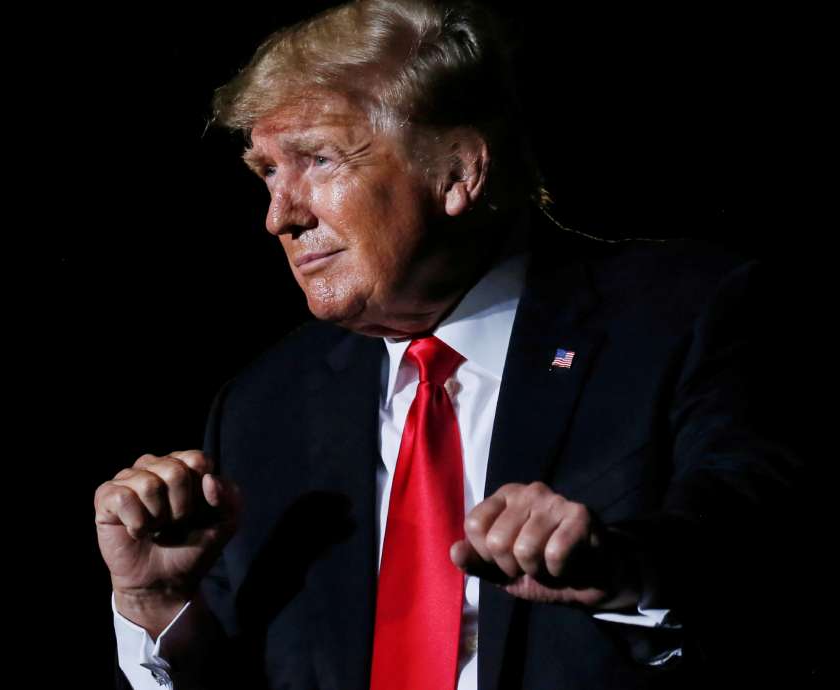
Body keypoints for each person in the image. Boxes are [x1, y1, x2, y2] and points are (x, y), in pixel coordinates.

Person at [93, 1, 812, 688]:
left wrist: (624, 567)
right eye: (267, 173)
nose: (280, 216)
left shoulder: (687, 316)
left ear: (458, 172)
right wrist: (158, 606)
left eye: (316, 159)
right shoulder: (262, 407)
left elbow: (763, 547)